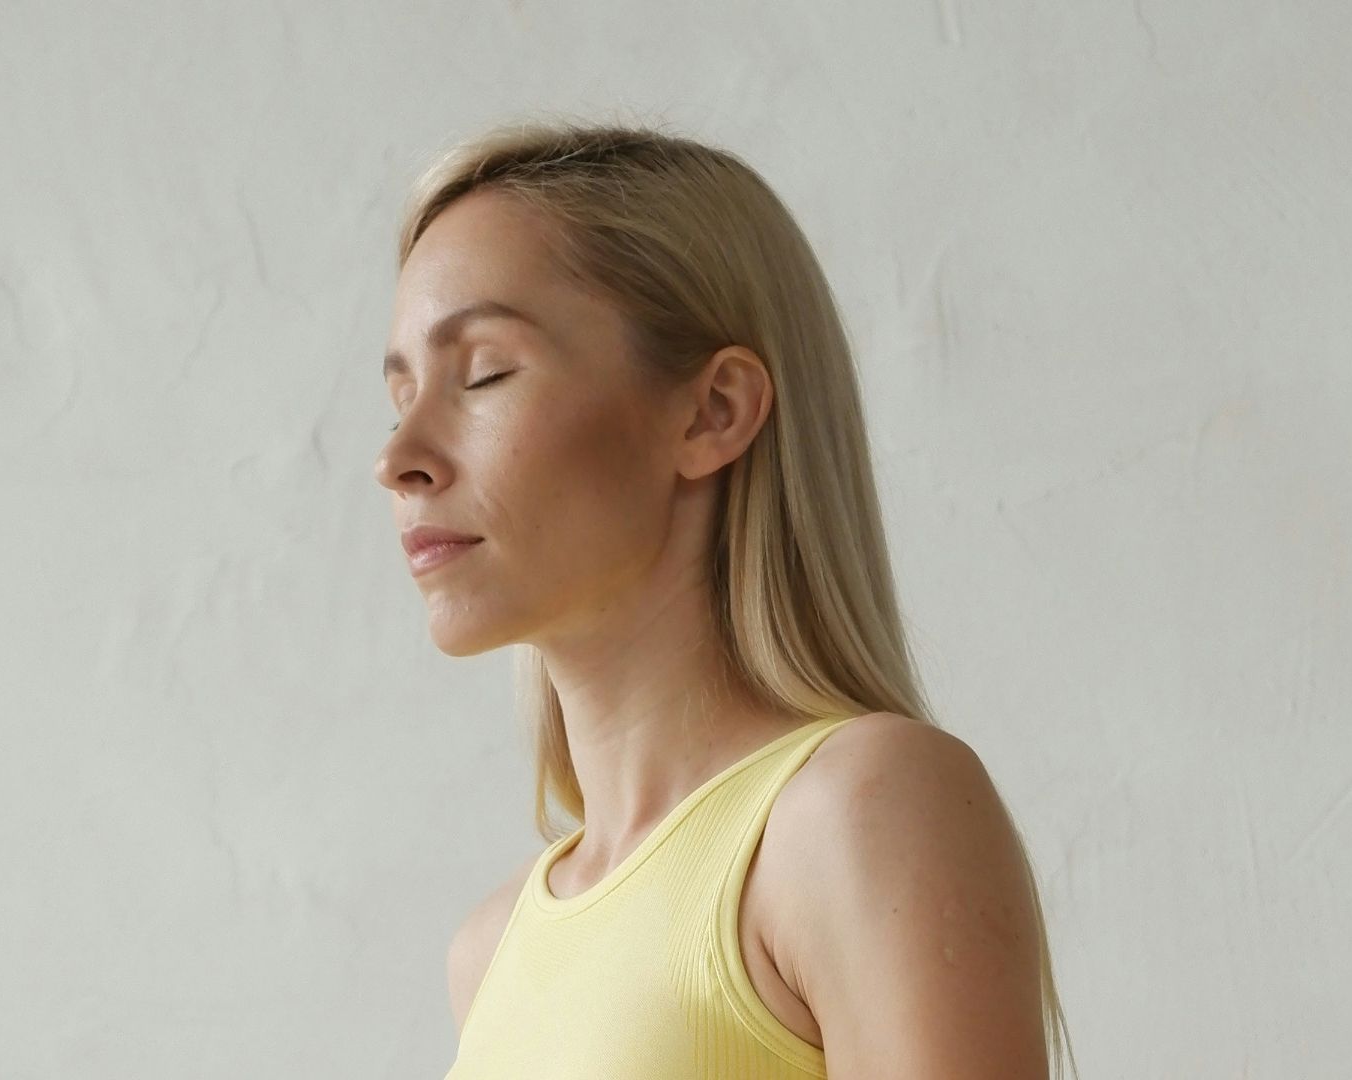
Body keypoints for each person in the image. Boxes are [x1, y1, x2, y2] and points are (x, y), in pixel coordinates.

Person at [375, 116, 1077, 1079]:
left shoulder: (858, 815)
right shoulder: (490, 952)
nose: (398, 458)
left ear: (713, 412)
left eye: (485, 373)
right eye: (400, 393)